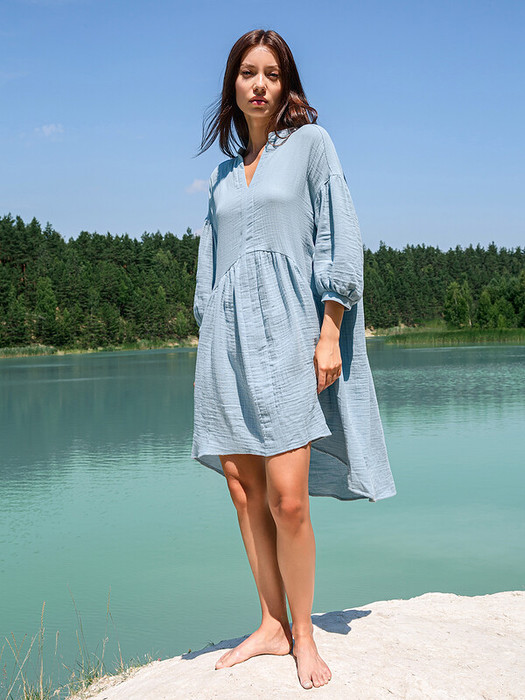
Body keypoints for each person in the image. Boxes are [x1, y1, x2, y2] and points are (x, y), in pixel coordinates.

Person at [191, 29, 397, 691]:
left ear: (286, 85)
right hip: (227, 345)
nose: (259, 84)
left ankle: (303, 634)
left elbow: (340, 235)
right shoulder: (222, 176)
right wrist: (208, 331)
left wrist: (330, 331)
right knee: (242, 489)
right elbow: (209, 268)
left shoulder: (311, 145)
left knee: (288, 500)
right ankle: (269, 624)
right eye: (247, 73)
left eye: (271, 74)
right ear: (232, 85)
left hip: (289, 336)